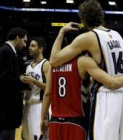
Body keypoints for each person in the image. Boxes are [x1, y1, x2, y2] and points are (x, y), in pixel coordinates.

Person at [49, 0, 123, 140]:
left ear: (82, 19)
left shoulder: (88, 37)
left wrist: (61, 32)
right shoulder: (117, 35)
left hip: (107, 95)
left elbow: (54, 60)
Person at [41, 54, 123, 140]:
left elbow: (47, 93)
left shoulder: (53, 64)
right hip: (76, 121)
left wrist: (43, 118)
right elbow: (111, 83)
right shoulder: (83, 62)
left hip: (55, 121)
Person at [0, 27, 28, 140]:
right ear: (17, 37)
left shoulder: (9, 51)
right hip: (5, 108)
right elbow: (4, 79)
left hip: (7, 107)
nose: (25, 45)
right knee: (5, 136)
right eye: (24, 41)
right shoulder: (5, 51)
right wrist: (23, 82)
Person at [20, 37, 50, 140]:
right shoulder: (27, 64)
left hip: (40, 106)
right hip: (28, 105)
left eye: (33, 46)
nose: (29, 48)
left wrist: (33, 81)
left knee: (40, 137)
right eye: (29, 45)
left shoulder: (46, 65)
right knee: (26, 137)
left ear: (40, 49)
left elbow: (50, 88)